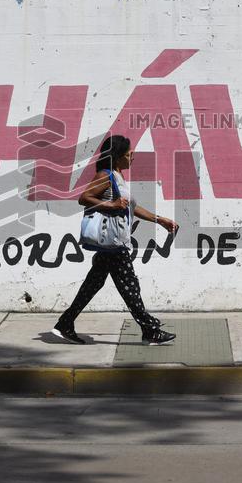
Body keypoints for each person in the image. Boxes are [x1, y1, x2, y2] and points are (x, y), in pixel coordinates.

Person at [54, 135, 179, 346]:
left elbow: (132, 207)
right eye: (130, 154)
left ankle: (66, 323)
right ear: (118, 156)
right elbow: (84, 198)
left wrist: (159, 220)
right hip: (114, 244)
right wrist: (111, 205)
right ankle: (150, 330)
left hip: (113, 243)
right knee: (130, 288)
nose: (133, 158)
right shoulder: (106, 175)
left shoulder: (118, 175)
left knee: (93, 284)